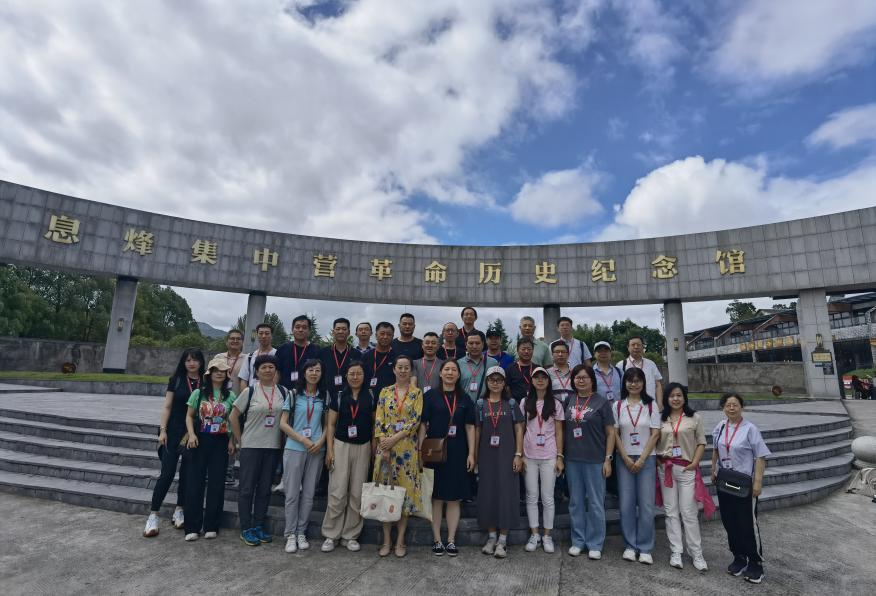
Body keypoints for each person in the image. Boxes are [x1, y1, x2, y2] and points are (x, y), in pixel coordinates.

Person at [144, 348, 205, 537]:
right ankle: (153, 515)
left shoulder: (206, 382)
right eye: (188, 360)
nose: (191, 363)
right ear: (183, 362)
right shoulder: (176, 380)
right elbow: (167, 406)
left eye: (195, 360)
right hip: (172, 432)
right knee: (167, 474)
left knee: (187, 474)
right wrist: (162, 430)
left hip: (193, 434)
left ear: (201, 362)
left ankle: (179, 509)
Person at [418, 360, 476, 557]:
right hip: (435, 452)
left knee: (454, 498)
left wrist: (471, 453)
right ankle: (437, 540)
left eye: (454, 370)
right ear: (440, 373)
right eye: (447, 369)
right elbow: (423, 425)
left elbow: (470, 427)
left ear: (459, 375)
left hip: (458, 451)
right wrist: (420, 450)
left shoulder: (465, 398)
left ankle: (451, 540)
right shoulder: (430, 396)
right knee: (436, 497)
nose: (450, 373)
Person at [711, 393, 770, 584]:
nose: (731, 408)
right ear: (723, 408)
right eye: (728, 405)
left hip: (744, 483)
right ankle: (739, 557)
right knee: (729, 521)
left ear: (741, 407)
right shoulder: (720, 427)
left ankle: (755, 562)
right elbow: (715, 450)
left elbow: (760, 456)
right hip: (725, 480)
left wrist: (757, 482)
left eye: (735, 405)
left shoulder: (750, 429)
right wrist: (713, 469)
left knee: (747, 524)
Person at [229, 354, 287, 547]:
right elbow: (233, 416)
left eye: (271, 367)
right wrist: (240, 440)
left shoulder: (283, 392)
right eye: (263, 367)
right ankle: (246, 528)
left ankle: (258, 525)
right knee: (246, 489)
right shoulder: (250, 391)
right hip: (251, 447)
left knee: (264, 489)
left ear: (276, 370)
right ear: (257, 371)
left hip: (273, 447)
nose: (268, 370)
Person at [656, 382, 711, 571]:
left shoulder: (694, 417)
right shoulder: (660, 418)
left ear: (684, 397)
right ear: (666, 398)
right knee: (671, 512)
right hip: (666, 469)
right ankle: (676, 551)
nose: (675, 399)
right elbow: (654, 440)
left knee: (689, 512)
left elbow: (701, 442)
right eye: (672, 395)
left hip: (686, 469)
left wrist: (695, 463)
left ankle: (696, 553)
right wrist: (658, 461)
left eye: (679, 395)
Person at [321, 361, 375, 552]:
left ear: (364, 376)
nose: (355, 377)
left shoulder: (371, 396)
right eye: (351, 373)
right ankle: (331, 534)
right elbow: (330, 425)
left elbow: (375, 424)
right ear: (346, 376)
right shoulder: (339, 396)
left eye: (359, 373)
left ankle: (350, 535)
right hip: (341, 445)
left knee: (357, 493)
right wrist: (330, 450)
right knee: (337, 491)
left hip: (363, 446)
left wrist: (374, 449)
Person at [563, 363, 616, 559]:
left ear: (592, 380)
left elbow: (610, 433)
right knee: (575, 502)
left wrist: (608, 459)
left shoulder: (601, 402)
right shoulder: (569, 400)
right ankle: (578, 540)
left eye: (584, 377)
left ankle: (595, 543)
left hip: (595, 460)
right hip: (573, 459)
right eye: (577, 377)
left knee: (595, 502)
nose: (581, 380)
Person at [373, 355, 423, 558]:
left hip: (407, 451)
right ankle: (387, 540)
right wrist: (384, 444)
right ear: (394, 369)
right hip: (385, 450)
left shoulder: (416, 393)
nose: (403, 370)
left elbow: (415, 421)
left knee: (404, 496)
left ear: (411, 370)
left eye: (406, 367)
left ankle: (400, 540)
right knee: (386, 494)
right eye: (399, 367)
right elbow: (379, 420)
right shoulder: (384, 392)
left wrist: (394, 439)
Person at [182, 357, 236, 541]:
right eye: (216, 370)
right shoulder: (199, 393)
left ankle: (212, 525)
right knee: (194, 482)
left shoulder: (231, 396)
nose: (219, 373)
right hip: (200, 440)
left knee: (217, 483)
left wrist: (232, 441)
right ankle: (192, 526)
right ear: (209, 373)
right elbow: (189, 416)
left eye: (223, 371)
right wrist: (191, 434)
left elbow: (232, 421)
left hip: (220, 441)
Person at [280, 359, 329, 553]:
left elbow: (329, 424)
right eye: (311, 370)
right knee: (292, 494)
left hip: (316, 450)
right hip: (295, 447)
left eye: (318, 370)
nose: (314, 373)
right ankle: (290, 534)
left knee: (309, 494)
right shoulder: (293, 395)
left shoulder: (324, 396)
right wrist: (302, 439)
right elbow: (283, 423)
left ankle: (301, 532)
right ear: (304, 372)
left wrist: (321, 442)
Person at [475, 366, 524, 559]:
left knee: (506, 494)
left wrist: (518, 454)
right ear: (487, 382)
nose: (495, 383)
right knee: (488, 494)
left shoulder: (511, 404)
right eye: (492, 380)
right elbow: (477, 431)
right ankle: (491, 537)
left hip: (507, 455)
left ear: (504, 383)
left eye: (499, 380)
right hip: (486, 456)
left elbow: (519, 429)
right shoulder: (480, 404)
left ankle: (502, 540)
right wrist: (474, 455)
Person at [613, 367, 661, 564]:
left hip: (646, 458)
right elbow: (615, 434)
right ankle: (630, 546)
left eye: (638, 380)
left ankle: (645, 547)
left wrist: (641, 459)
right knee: (626, 504)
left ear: (643, 383)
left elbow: (655, 434)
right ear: (624, 383)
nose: (634, 384)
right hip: (624, 458)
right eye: (630, 381)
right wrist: (625, 457)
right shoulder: (617, 406)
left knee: (646, 505)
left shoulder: (651, 405)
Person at [520, 367, 564, 554]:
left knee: (547, 498)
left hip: (549, 456)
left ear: (548, 381)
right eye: (536, 377)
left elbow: (559, 432)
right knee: (531, 496)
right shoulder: (525, 402)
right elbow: (521, 429)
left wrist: (560, 457)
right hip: (529, 455)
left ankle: (547, 536)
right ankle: (535, 534)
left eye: (543, 377)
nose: (540, 380)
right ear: (531, 381)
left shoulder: (555, 403)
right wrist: (519, 454)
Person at [218, 330, 245, 485]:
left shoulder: (246, 359)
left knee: (233, 435)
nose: (235, 341)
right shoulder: (219, 357)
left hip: (236, 402)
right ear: (227, 341)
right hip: (218, 401)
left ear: (242, 342)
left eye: (238, 339)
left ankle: (229, 469)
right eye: (232, 338)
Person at [617, 336, 663, 410]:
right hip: (629, 409)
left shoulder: (651, 364)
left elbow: (658, 385)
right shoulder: (621, 365)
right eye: (633, 345)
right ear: (628, 347)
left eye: (639, 345)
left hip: (650, 406)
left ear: (643, 347)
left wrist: (659, 405)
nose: (636, 347)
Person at [276, 315, 320, 391]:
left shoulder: (316, 350)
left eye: (304, 327)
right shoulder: (282, 349)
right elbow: (277, 373)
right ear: (292, 329)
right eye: (297, 327)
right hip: (284, 392)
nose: (300, 330)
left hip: (307, 394)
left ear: (309, 330)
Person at [458, 330, 498, 403]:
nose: (474, 346)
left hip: (487, 406)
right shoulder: (458, 364)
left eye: (477, 343)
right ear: (466, 345)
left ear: (483, 344)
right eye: (471, 343)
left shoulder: (493, 363)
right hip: (464, 405)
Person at [320, 317, 354, 400]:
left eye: (344, 329)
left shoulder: (356, 354)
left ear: (349, 332)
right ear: (333, 332)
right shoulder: (323, 353)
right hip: (326, 397)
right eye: (338, 329)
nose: (340, 331)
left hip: (349, 397)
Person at [237, 324, 276, 392]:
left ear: (272, 336)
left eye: (267, 333)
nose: (263, 336)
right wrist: (246, 396)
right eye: (261, 333)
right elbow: (244, 379)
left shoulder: (277, 354)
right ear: (257, 335)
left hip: (271, 394)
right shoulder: (250, 356)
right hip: (252, 394)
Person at [363, 321, 397, 396]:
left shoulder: (397, 358)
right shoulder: (366, 356)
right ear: (376, 335)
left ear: (393, 336)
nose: (385, 337)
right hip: (368, 397)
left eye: (389, 334)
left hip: (390, 398)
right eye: (382, 333)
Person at [506, 337, 535, 402]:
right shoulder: (510, 369)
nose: (526, 351)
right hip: (515, 405)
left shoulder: (538, 369)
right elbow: (507, 388)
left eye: (529, 349)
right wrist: (513, 403)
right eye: (523, 349)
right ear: (517, 350)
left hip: (535, 404)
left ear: (533, 350)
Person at [547, 340, 575, 406]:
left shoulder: (575, 372)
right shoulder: (546, 373)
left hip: (572, 408)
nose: (560, 354)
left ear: (568, 354)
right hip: (553, 407)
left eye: (563, 352)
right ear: (552, 354)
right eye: (557, 352)